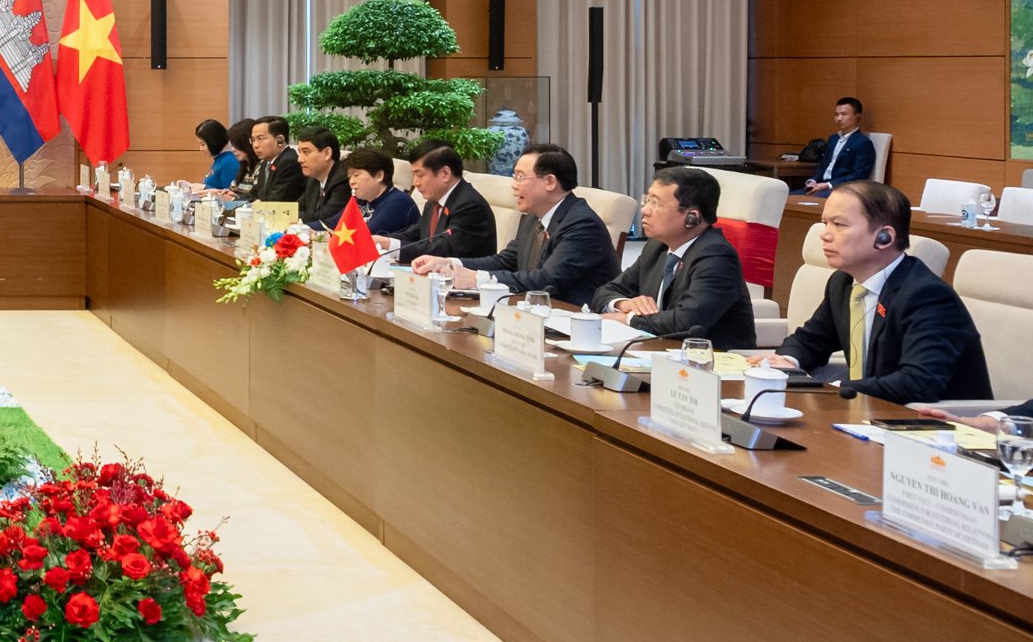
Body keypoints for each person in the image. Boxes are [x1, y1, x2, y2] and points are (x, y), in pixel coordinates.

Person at [757, 180, 992, 404]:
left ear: (884, 237)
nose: (825, 234)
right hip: (870, 411)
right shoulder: (843, 283)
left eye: (839, 225)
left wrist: (835, 388)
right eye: (825, 223)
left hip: (935, 422)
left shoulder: (927, 296)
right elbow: (811, 340)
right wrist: (786, 361)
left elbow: (918, 382)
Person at [413, 143, 615, 304]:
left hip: (575, 323)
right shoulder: (534, 218)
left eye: (520, 177)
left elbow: (545, 281)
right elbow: (505, 261)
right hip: (534, 315)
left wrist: (475, 278)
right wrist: (450, 263)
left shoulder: (581, 224)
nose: (513, 185)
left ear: (550, 182)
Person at [590, 167, 755, 348]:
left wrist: (628, 319)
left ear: (692, 218)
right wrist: (624, 304)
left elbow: (686, 322)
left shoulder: (717, 257)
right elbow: (605, 291)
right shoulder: (657, 247)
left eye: (656, 203)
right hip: (657, 351)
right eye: (647, 200)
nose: (645, 210)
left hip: (712, 360)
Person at [391, 143, 497, 260]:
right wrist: (384, 241)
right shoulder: (433, 202)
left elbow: (443, 250)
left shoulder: (471, 206)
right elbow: (415, 235)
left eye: (420, 175)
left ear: (445, 174)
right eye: (414, 175)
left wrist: (393, 247)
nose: (415, 183)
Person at [801, 96, 874, 196]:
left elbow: (859, 175)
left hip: (842, 189)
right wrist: (813, 181)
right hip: (821, 185)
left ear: (857, 117)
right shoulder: (833, 138)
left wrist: (828, 185)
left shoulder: (863, 143)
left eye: (844, 114)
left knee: (804, 199)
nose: (839, 118)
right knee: (787, 196)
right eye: (836, 114)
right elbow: (823, 165)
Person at [342, 149, 421, 237]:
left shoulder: (399, 202)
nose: (351, 182)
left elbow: (361, 237)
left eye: (356, 175)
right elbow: (334, 224)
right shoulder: (362, 198)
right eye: (349, 177)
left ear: (379, 176)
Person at [293, 125, 348, 229]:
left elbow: (326, 216)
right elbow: (297, 207)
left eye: (306, 152)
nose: (299, 159)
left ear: (327, 153)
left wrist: (293, 218)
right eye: (299, 152)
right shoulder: (314, 178)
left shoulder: (343, 180)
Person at [246, 117, 305, 204]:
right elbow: (254, 193)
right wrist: (235, 198)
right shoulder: (266, 162)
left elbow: (275, 202)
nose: (255, 145)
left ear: (280, 140)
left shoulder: (289, 162)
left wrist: (254, 201)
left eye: (261, 138)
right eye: (253, 140)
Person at [195, 120, 242, 191]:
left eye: (203, 144)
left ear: (213, 142)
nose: (200, 149)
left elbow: (230, 193)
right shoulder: (220, 159)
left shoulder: (228, 162)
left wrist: (203, 187)